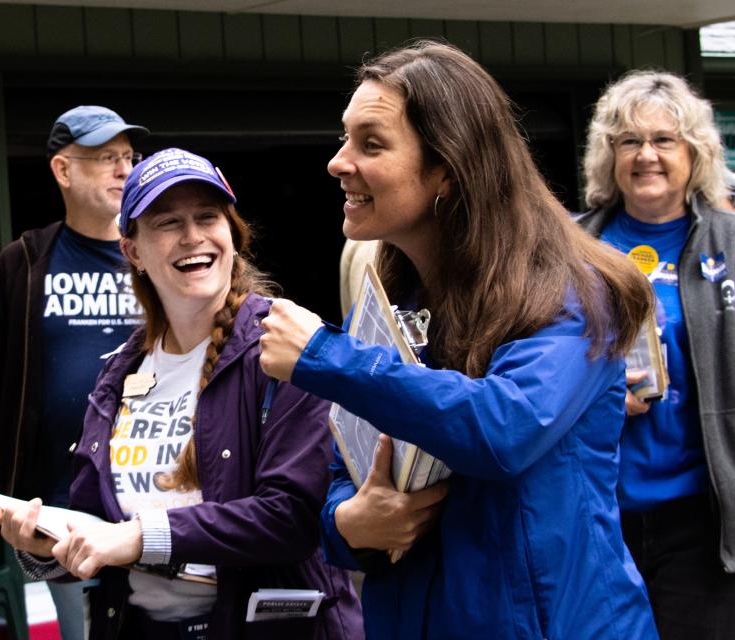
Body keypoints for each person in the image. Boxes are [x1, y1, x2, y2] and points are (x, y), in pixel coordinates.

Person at [258, 40, 658, 639]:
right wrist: (350, 522)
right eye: (345, 138)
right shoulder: (395, 300)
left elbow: (505, 429)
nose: (339, 162)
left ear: (447, 167)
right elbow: (352, 461)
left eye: (371, 143)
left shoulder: (572, 293)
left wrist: (322, 355)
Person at [0, 148, 364, 640]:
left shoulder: (285, 348)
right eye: (167, 222)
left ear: (232, 233)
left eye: (208, 217)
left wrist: (139, 538)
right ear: (133, 251)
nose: (193, 236)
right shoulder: (119, 372)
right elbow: (97, 524)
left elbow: (291, 517)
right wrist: (44, 545)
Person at [578, 70, 735, 640]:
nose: (646, 155)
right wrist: (594, 396)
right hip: (597, 513)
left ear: (694, 153)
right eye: (629, 141)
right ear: (609, 155)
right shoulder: (573, 248)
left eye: (664, 140)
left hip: (711, 519)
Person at [0, 105, 148, 640]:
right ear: (63, 170)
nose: (123, 170)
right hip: (43, 512)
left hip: (145, 502)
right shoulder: (24, 262)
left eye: (128, 157)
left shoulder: (154, 253)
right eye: (105, 159)